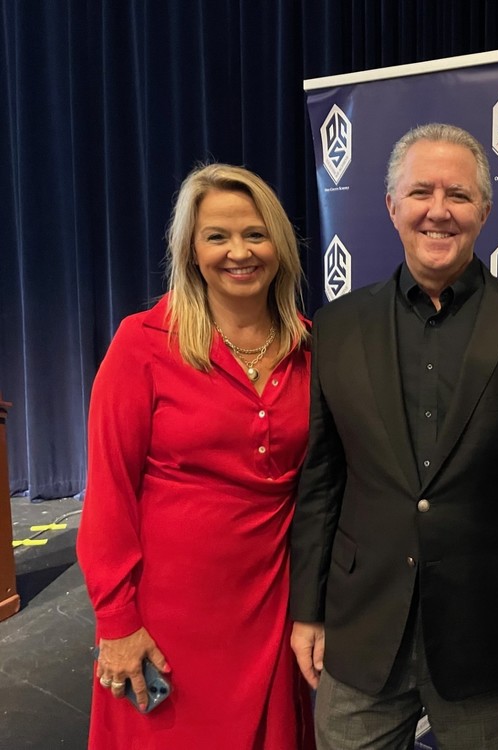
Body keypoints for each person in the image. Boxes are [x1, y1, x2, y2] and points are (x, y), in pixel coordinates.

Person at [289, 123, 498, 750]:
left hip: (489, 634)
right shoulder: (336, 326)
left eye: (458, 195)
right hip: (362, 627)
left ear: (485, 210)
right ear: (392, 206)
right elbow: (322, 480)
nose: (438, 211)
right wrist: (306, 607)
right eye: (421, 192)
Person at [78, 164, 314, 749]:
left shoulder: (311, 348)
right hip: (168, 618)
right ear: (190, 250)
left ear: (279, 247)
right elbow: (108, 492)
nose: (240, 252)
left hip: (272, 608)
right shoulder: (142, 343)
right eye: (217, 236)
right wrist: (117, 621)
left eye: (256, 234)